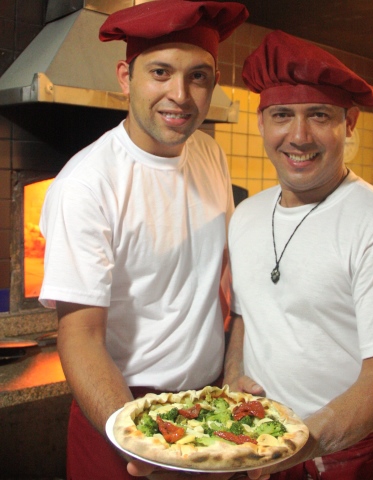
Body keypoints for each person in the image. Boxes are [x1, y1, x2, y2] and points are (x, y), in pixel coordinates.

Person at [39, 1, 249, 479]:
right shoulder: (88, 183)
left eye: (198, 76)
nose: (180, 94)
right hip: (120, 409)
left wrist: (233, 376)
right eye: (160, 72)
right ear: (124, 77)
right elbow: (81, 335)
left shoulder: (209, 154)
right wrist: (138, 439)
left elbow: (228, 280)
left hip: (207, 406)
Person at [224, 30, 373, 480]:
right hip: (263, 446)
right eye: (282, 115)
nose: (299, 136)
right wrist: (232, 380)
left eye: (319, 115)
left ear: (350, 123)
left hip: (351, 456)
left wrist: (298, 443)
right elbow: (248, 316)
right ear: (262, 122)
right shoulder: (245, 215)